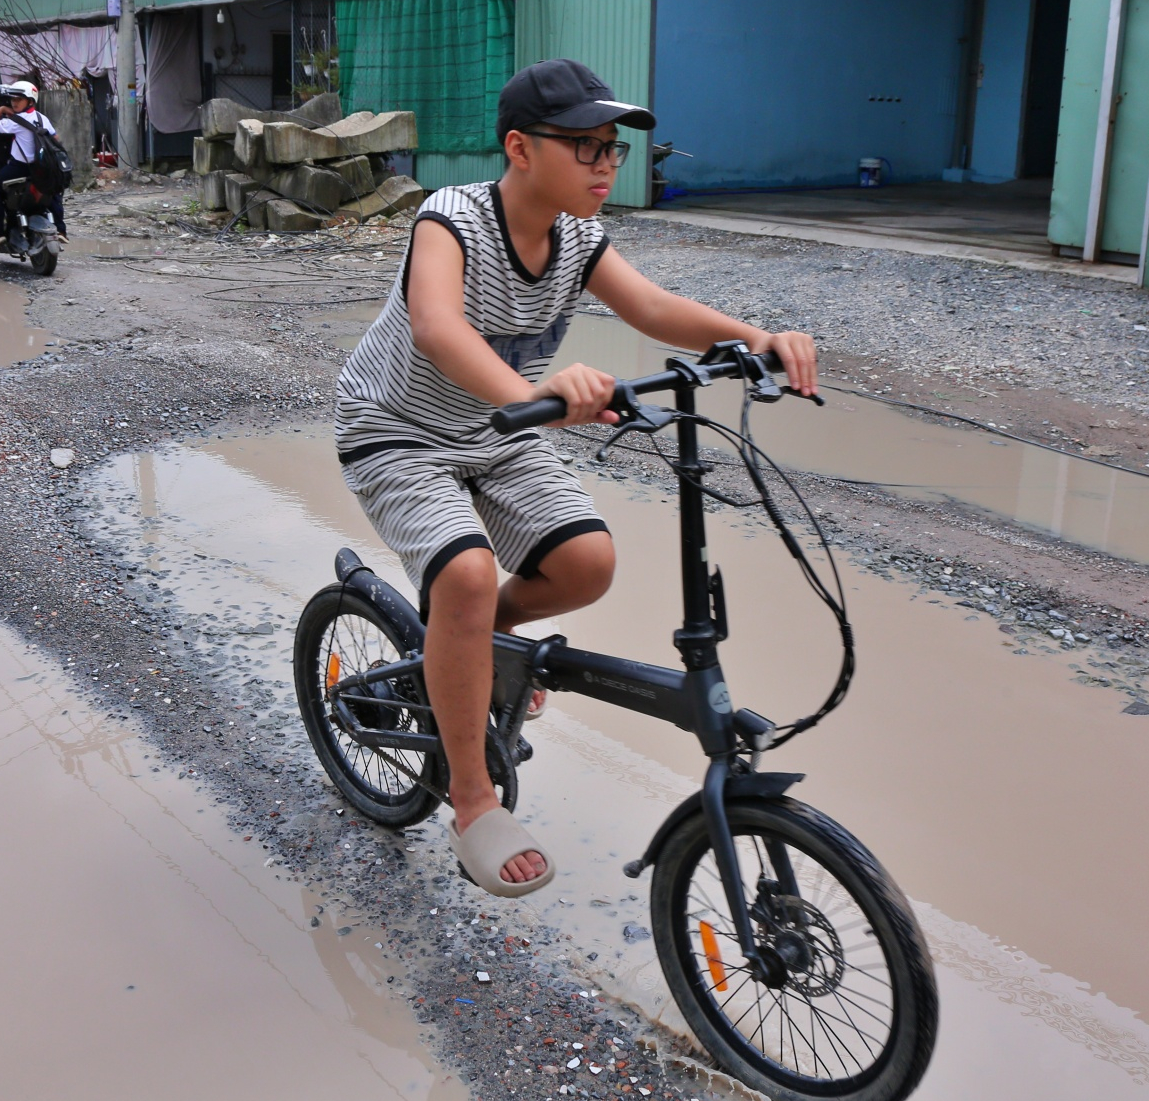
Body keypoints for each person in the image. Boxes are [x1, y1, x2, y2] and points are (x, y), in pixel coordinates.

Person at [334, 58, 817, 897]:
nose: (604, 163)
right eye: (584, 145)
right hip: (400, 430)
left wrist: (757, 337)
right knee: (470, 571)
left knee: (586, 564)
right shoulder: (451, 219)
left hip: (503, 430)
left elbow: (654, 308)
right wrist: (537, 395)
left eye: (613, 150)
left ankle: (475, 647)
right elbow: (439, 326)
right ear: (519, 148)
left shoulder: (579, 239)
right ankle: (474, 801)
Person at [0, 80, 66, 246]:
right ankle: (61, 229)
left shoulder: (15, 121)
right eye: (12, 99)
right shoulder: (43, 119)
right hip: (43, 168)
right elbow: (55, 138)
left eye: (19, 99)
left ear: (30, 101)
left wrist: (2, 109)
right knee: (53, 189)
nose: (14, 102)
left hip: (20, 168)